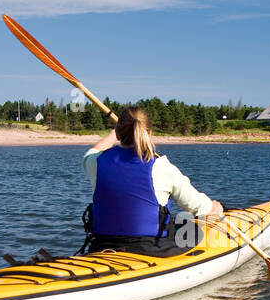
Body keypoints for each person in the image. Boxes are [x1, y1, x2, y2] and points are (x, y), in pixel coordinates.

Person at [82, 106, 224, 255]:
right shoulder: (161, 167)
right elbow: (197, 206)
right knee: (190, 226)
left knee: (178, 221)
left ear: (117, 133)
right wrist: (213, 208)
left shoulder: (96, 163)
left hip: (101, 244)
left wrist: (113, 135)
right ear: (149, 133)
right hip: (150, 248)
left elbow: (91, 153)